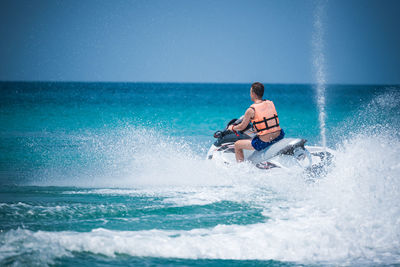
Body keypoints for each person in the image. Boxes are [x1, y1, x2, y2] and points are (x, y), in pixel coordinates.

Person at [227, 82, 285, 162]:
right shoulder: (270, 103)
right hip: (279, 135)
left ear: (253, 93)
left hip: (264, 141)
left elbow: (242, 127)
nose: (250, 93)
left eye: (250, 91)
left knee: (237, 145)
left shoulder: (251, 110)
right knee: (255, 134)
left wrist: (232, 127)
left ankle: (240, 168)